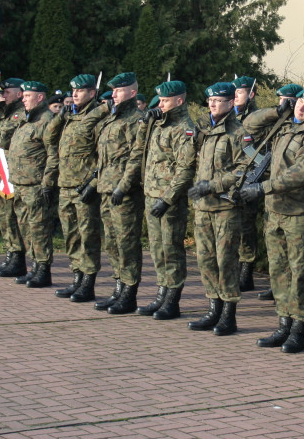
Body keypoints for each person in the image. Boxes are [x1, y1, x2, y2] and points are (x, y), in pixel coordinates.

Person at [239, 85, 304, 352]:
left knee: (300, 273)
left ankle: (298, 330)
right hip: (276, 211)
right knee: (278, 272)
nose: (301, 109)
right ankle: (282, 325)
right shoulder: (285, 126)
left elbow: (301, 174)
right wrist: (275, 111)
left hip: (301, 214)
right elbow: (248, 126)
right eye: (300, 103)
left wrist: (262, 188)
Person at [187, 81, 246, 335]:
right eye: (209, 100)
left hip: (224, 206)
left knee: (226, 261)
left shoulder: (238, 131)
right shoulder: (203, 128)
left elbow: (245, 169)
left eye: (218, 100)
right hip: (203, 207)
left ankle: (228, 315)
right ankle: (213, 308)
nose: (212, 104)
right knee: (206, 259)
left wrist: (211, 185)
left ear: (231, 103)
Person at [138, 79, 196, 320]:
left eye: (165, 101)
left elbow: (185, 168)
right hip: (152, 194)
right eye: (160, 101)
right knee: (157, 249)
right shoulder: (160, 123)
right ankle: (162, 294)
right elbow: (141, 150)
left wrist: (168, 198)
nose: (160, 105)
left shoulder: (184, 127)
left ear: (179, 101)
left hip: (168, 200)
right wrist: (145, 122)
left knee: (171, 249)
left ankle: (172, 300)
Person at [48, 74, 109, 302]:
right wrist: (60, 117)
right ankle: (77, 277)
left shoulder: (98, 117)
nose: (74, 95)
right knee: (71, 235)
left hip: (84, 187)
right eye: (72, 91)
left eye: (80, 91)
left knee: (88, 236)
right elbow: (49, 138)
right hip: (65, 185)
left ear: (92, 93)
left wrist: (93, 184)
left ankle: (88, 282)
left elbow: (104, 155)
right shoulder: (69, 117)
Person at [93, 72, 145, 314]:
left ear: (132, 93)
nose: (113, 94)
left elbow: (136, 157)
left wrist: (123, 186)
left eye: (118, 90)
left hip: (124, 192)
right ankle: (118, 288)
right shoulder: (111, 119)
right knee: (112, 243)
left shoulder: (136, 120)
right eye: (112, 90)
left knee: (127, 243)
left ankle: (129, 293)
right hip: (106, 189)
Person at [254, 82, 302, 300]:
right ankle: (278, 289)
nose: (283, 103)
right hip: (274, 200)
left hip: (296, 203)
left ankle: (291, 298)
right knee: (277, 256)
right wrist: (277, 111)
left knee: (295, 259)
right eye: (280, 99)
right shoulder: (280, 123)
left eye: (287, 100)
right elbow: (250, 124)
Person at [7, 81, 58, 288]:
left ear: (40, 97)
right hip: (20, 183)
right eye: (23, 95)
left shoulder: (47, 120)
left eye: (27, 96)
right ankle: (35, 266)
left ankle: (43, 269)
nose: (23, 99)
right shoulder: (26, 119)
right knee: (26, 228)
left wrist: (47, 183)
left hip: (36, 184)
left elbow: (53, 154)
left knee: (39, 229)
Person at [0, 79, 28, 278]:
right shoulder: (4, 115)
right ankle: (10, 254)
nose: (3, 95)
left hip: (12, 174)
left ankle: (17, 257)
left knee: (12, 218)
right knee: (4, 219)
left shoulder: (20, 114)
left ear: (19, 94)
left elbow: (3, 140)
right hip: (0, 173)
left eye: (7, 92)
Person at [233, 75, 261, 294]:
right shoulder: (229, 117)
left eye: (240, 92)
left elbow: (260, 152)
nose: (235, 96)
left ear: (250, 94)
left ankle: (246, 272)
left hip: (250, 176)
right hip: (229, 178)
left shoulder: (256, 118)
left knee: (246, 228)